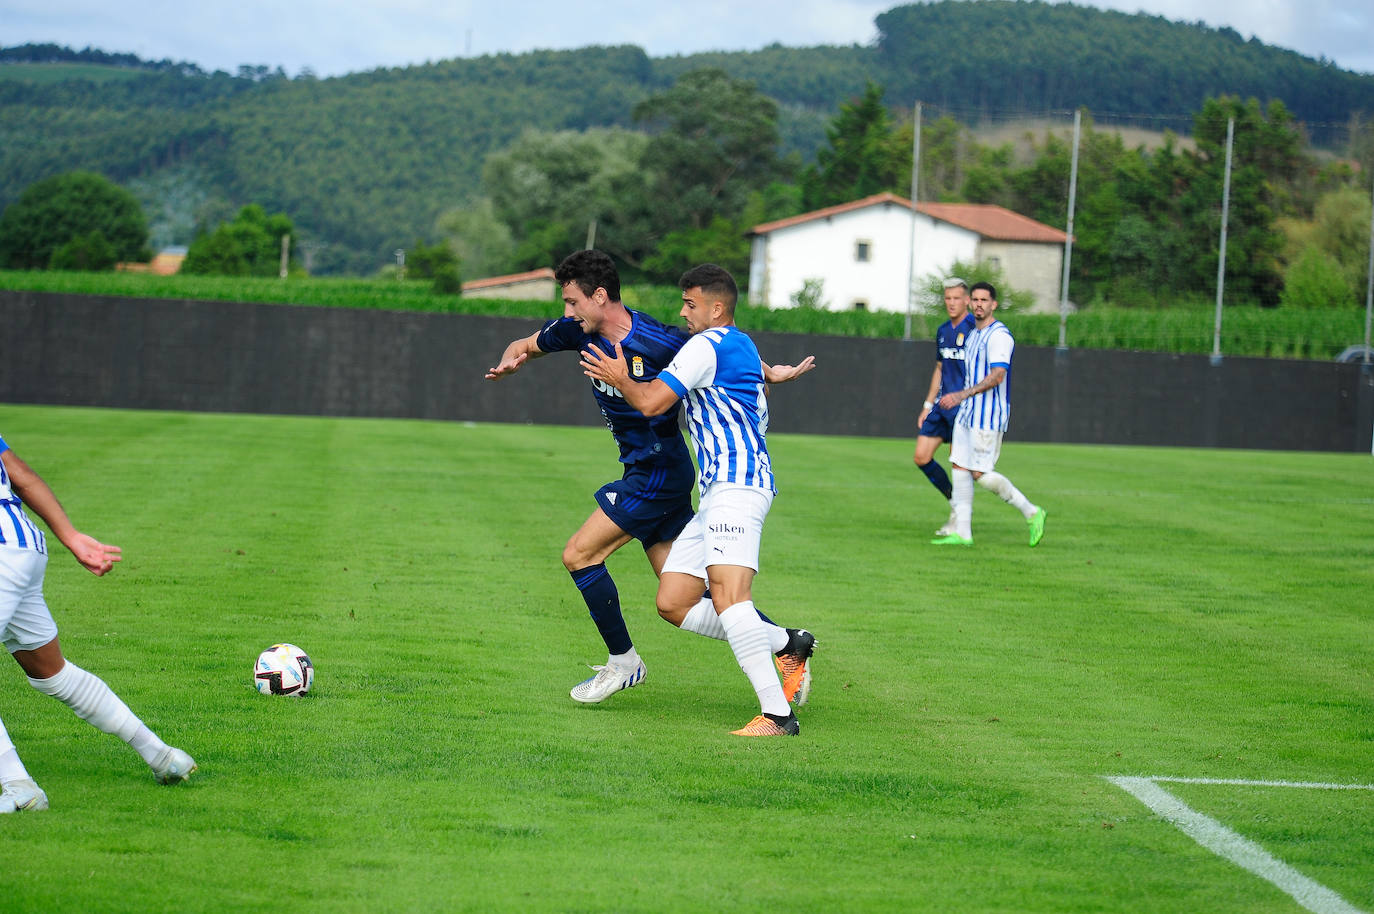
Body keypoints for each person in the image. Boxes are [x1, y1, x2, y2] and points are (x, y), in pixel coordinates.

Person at [485, 249, 817, 707]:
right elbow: (524, 344)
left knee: (580, 555)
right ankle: (786, 642)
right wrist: (510, 360)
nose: (566, 312)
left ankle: (624, 662)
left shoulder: (659, 340)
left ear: (600, 296)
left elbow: (715, 351)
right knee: (684, 598)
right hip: (646, 469)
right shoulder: (575, 330)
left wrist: (768, 373)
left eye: (573, 301)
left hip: (659, 470)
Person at [581, 263, 801, 737]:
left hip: (736, 487)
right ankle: (788, 641)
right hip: (721, 491)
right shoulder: (738, 341)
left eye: (690, 303)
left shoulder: (706, 344)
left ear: (716, 308)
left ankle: (778, 716)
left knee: (729, 599)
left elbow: (651, 403)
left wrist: (621, 377)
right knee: (674, 600)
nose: (683, 312)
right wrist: (772, 374)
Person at [0, 436, 195, 813]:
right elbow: (19, 474)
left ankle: (19, 788)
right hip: (22, 546)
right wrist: (71, 537)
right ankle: (163, 756)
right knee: (51, 673)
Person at [930, 281, 1046, 548]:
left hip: (987, 416)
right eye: (976, 300)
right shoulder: (973, 335)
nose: (980, 304)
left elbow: (997, 375)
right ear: (970, 303)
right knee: (959, 466)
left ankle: (1032, 512)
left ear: (993, 304)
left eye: (985, 300)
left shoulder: (999, 335)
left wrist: (961, 394)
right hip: (967, 414)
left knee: (981, 474)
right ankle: (963, 533)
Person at [913, 278, 976, 536]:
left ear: (967, 301)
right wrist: (928, 404)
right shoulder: (942, 330)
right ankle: (954, 506)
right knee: (921, 456)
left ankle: (959, 521)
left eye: (956, 298)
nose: (951, 303)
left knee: (958, 465)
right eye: (947, 298)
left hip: (964, 407)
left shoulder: (975, 329)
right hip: (941, 406)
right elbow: (940, 369)